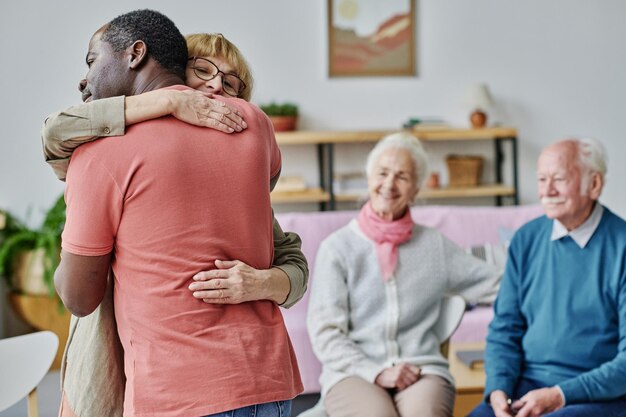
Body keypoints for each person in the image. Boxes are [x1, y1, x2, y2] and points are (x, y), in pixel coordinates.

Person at [43, 32, 308, 417]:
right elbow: (55, 130)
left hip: (213, 386)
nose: (216, 86)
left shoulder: (241, 157)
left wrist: (259, 282)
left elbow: (293, 261)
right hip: (239, 387)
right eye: (202, 70)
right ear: (171, 74)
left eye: (231, 85)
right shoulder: (113, 140)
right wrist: (165, 101)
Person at [307, 132, 501, 417]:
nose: (389, 184)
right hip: (353, 372)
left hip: (422, 369)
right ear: (369, 177)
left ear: (416, 188)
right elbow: (326, 333)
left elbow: (496, 284)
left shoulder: (434, 245)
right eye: (382, 173)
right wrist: (376, 372)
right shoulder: (337, 248)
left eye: (402, 176)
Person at [467, 138, 626, 417]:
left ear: (595, 184)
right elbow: (505, 328)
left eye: (559, 179)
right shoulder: (526, 239)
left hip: (598, 395)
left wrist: (559, 396)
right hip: (526, 388)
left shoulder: (621, 246)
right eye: (542, 179)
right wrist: (498, 390)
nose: (547, 191)